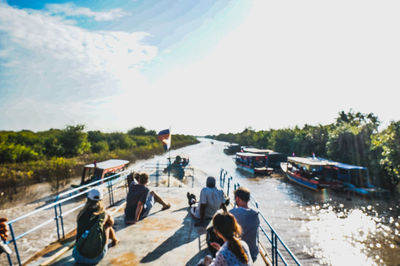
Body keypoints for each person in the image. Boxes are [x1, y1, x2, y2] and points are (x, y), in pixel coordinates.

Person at [73, 188, 119, 264]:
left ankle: (115, 239)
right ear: (101, 200)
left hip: (78, 256)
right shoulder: (103, 214)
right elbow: (112, 223)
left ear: (88, 199)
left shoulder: (81, 214)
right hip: (95, 258)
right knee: (107, 225)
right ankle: (115, 239)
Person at [229, 187, 260, 262]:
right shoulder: (255, 214)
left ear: (237, 199)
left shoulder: (232, 213)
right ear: (248, 200)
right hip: (253, 255)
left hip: (238, 255)